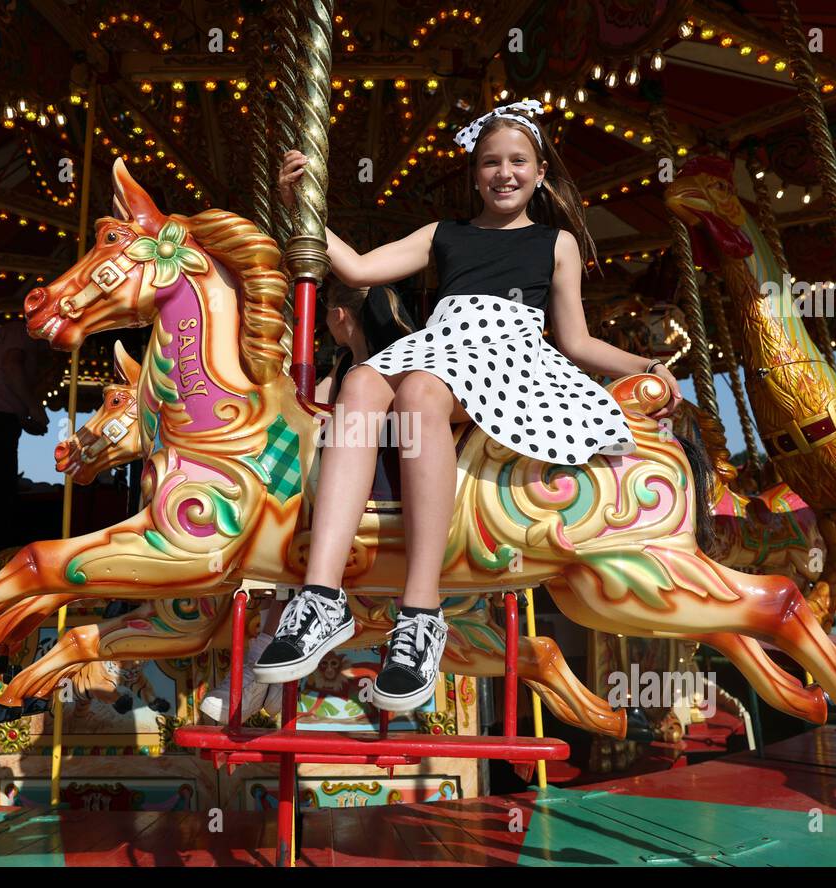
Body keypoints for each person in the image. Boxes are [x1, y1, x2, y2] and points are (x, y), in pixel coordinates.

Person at [251, 98, 682, 713]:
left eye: (517, 162)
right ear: (474, 172)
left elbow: (576, 338)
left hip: (508, 355)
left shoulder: (553, 242)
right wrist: (303, 205)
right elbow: (359, 267)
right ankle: (321, 598)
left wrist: (642, 366)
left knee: (421, 390)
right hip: (441, 343)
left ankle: (420, 615)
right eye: (489, 162)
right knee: (362, 385)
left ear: (539, 172)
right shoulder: (444, 235)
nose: (503, 173)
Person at [200, 280, 415, 722]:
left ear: (339, 316)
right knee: (279, 497)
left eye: (326, 318)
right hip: (350, 490)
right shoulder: (344, 364)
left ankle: (257, 671)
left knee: (293, 525)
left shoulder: (379, 370)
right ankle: (266, 672)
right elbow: (306, 409)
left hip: (378, 492)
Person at [0, 321, 53, 553]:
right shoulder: (21, 332)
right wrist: (33, 406)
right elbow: (11, 366)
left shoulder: (28, 345)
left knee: (1, 489)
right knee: (1, 494)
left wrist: (25, 419)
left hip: (0, 419)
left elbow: (11, 391)